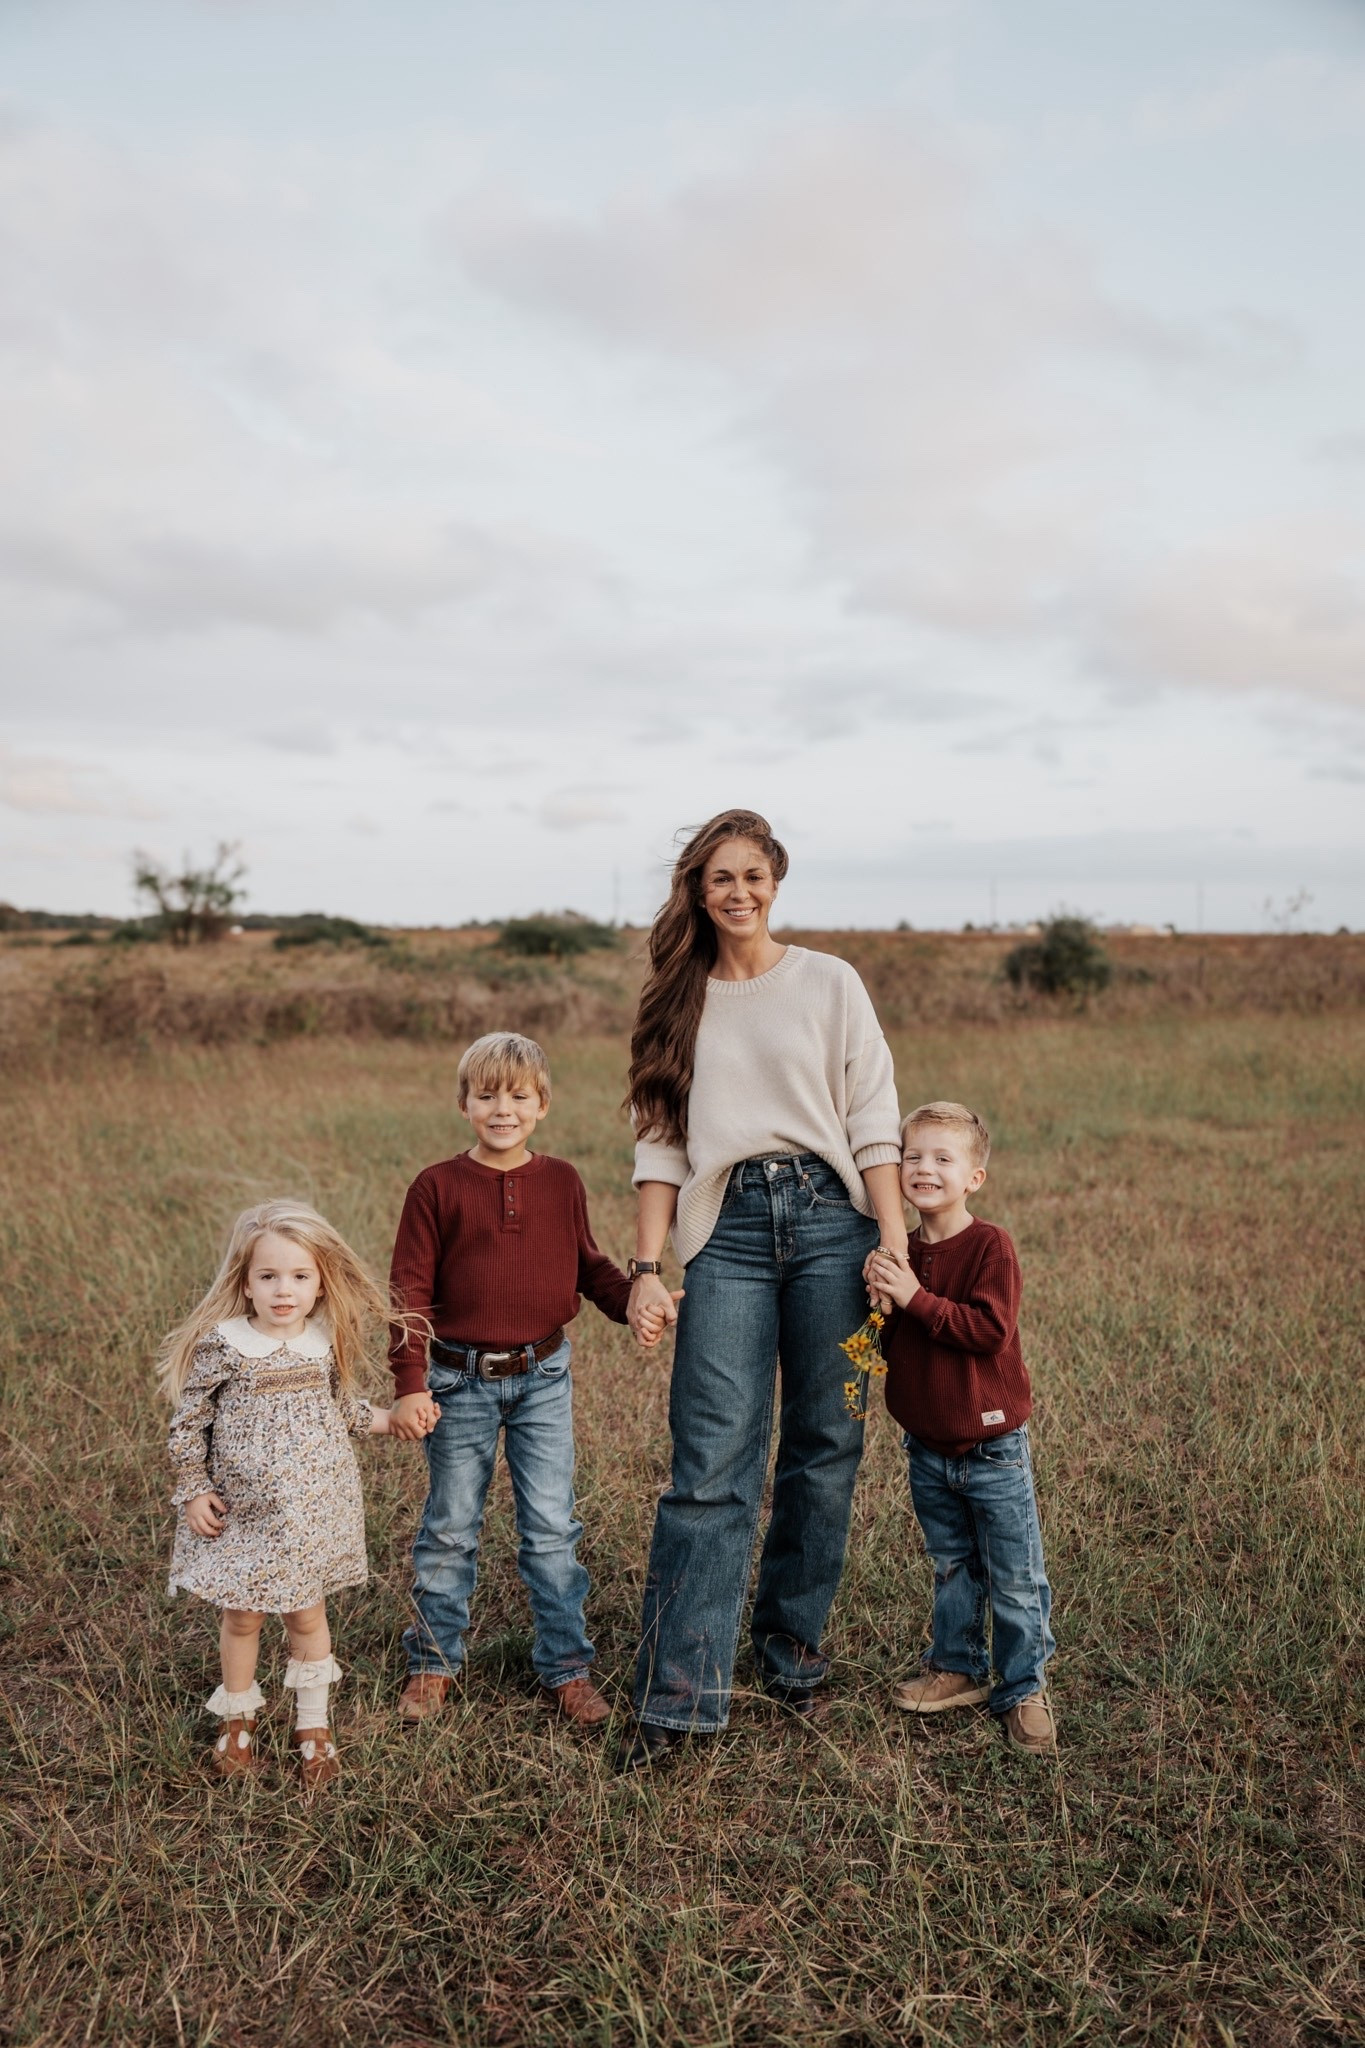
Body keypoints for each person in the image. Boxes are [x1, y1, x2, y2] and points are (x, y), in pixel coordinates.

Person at [618, 809, 905, 1770]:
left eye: (751, 874)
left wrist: (894, 1247)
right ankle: (679, 1695)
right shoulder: (676, 1000)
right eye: (717, 878)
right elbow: (658, 1146)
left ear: (776, 879)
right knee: (710, 1464)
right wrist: (647, 1269)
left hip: (834, 1223)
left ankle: (789, 1652)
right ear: (697, 893)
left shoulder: (829, 982)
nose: (736, 892)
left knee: (827, 1443)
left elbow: (873, 1119)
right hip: (727, 1232)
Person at [388, 1031, 654, 1730]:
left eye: (517, 1095)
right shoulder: (437, 1187)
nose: (501, 1108)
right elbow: (409, 1291)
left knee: (549, 1529)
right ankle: (434, 1662)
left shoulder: (561, 1180)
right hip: (456, 1380)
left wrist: (634, 1301)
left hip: (543, 1375)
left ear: (541, 1105)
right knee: (450, 1527)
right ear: (463, 1104)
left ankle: (566, 1668)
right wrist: (409, 1380)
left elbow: (586, 1264)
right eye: (486, 1095)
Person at [163, 1199, 412, 1789]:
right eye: (268, 1276)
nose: (284, 1290)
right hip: (243, 1512)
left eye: (299, 1277)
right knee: (243, 1615)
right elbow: (188, 1423)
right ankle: (239, 1716)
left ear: (320, 1283)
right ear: (245, 1284)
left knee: (307, 1616)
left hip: (311, 1511)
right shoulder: (223, 1344)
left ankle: (313, 1722)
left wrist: (392, 1419)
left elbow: (343, 1410)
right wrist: (194, 1489)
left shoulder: (323, 1342)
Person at [866, 1101, 1056, 1756]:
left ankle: (1023, 1686)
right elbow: (894, 1342)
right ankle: (957, 1665)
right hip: (925, 1444)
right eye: (912, 1157)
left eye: (942, 1158)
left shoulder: (987, 1246)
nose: (924, 1169)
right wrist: (883, 1299)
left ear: (973, 1176)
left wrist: (914, 1297)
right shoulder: (898, 1250)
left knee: (1011, 1571)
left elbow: (986, 1330)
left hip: (991, 1444)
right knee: (951, 1565)